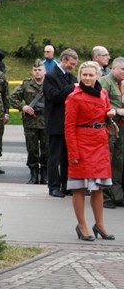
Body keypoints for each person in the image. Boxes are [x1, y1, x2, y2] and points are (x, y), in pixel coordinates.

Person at [64, 61, 116, 241]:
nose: (87, 78)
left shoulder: (103, 93)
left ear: (97, 76)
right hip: (82, 143)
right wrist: (73, 152)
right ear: (80, 76)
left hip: (100, 143)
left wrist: (110, 112)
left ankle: (100, 225)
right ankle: (82, 225)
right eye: (84, 75)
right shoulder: (74, 97)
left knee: (98, 187)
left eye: (90, 75)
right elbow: (69, 127)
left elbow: (106, 110)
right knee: (79, 187)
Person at [44, 48, 79, 198]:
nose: (73, 67)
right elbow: (53, 96)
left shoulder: (70, 76)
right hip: (56, 122)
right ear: (64, 60)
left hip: (69, 123)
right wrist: (72, 88)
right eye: (72, 63)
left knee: (67, 157)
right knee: (55, 157)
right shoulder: (51, 76)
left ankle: (66, 185)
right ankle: (53, 186)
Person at [10, 59, 49, 185]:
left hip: (46, 122)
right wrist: (23, 107)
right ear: (32, 71)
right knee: (32, 149)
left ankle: (45, 173)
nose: (37, 72)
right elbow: (12, 98)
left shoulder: (50, 84)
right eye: (35, 70)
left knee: (46, 149)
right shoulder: (26, 84)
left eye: (40, 70)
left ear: (45, 71)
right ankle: (33, 174)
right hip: (30, 123)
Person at [100, 57, 124, 209]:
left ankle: (117, 195)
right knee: (106, 160)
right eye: (122, 69)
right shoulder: (105, 82)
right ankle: (105, 196)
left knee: (118, 161)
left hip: (120, 127)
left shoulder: (121, 83)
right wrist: (116, 110)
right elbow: (100, 104)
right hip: (109, 125)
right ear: (113, 68)